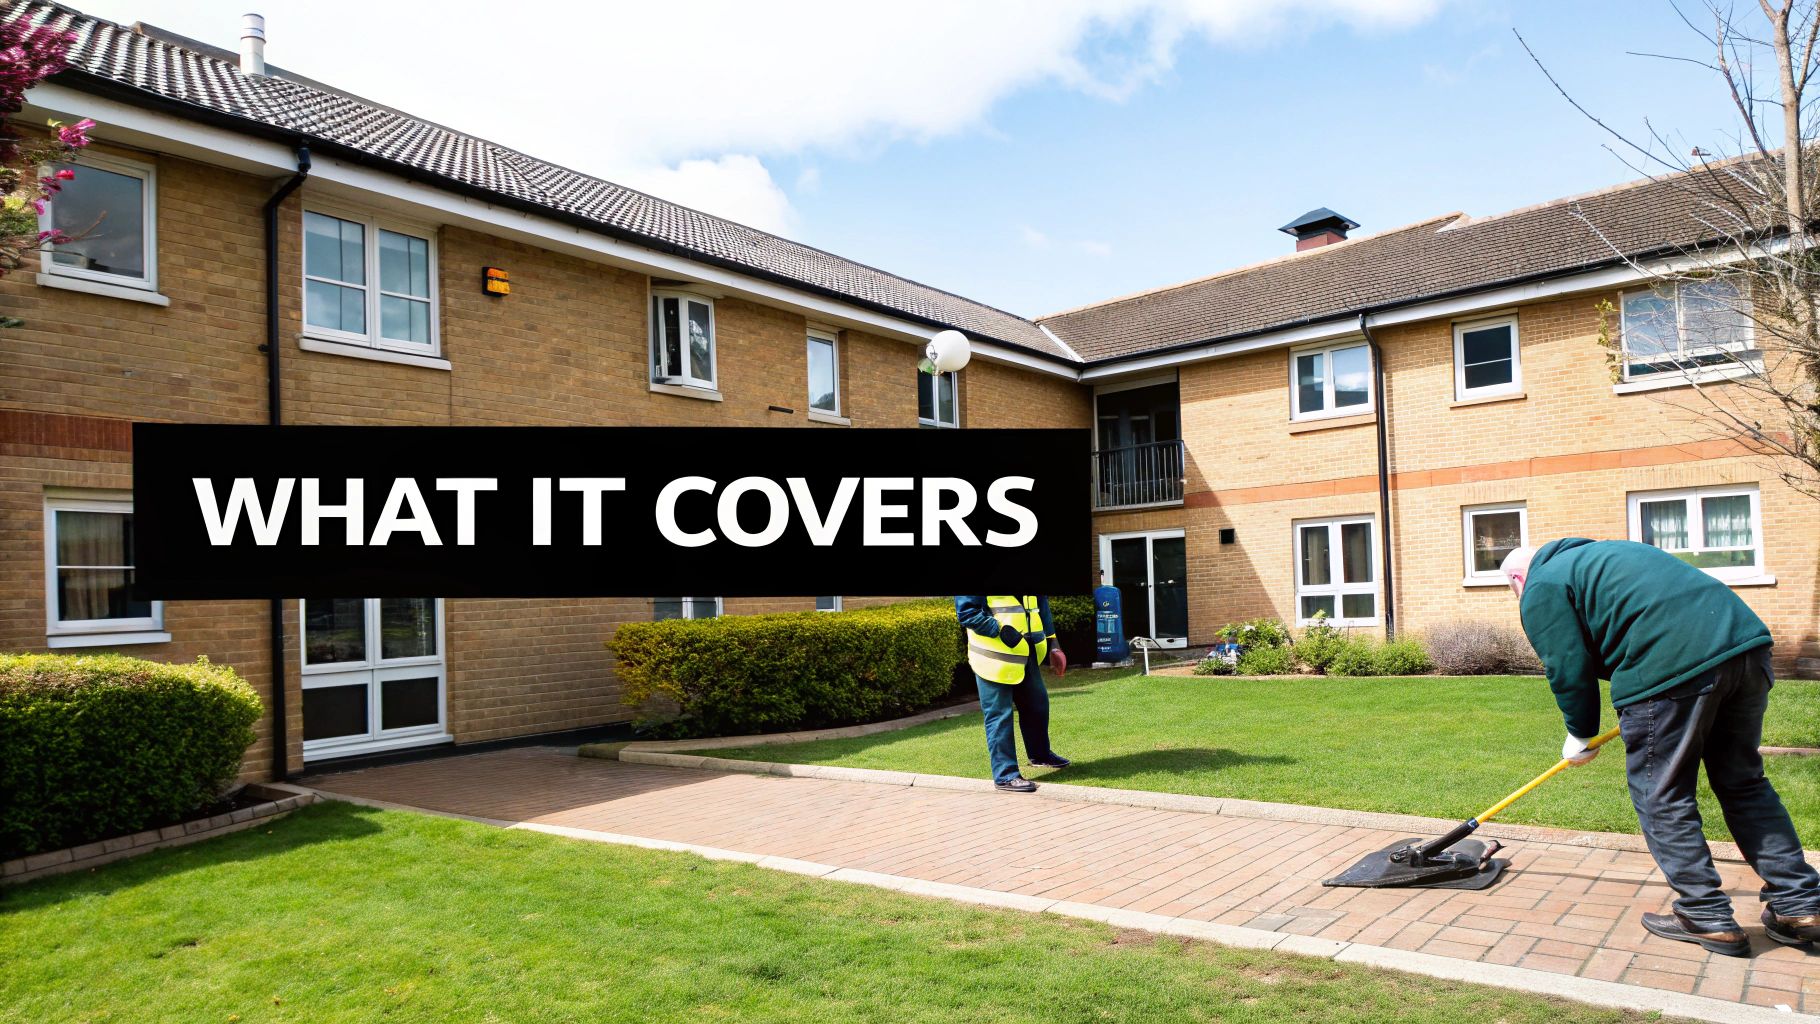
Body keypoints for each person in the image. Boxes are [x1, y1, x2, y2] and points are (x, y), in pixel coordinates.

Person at [1503, 538, 1820, 957]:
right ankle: (1800, 905)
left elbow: (1566, 664)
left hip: (1672, 668)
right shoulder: (1608, 555)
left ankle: (1705, 914)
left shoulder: (1542, 583)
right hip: (1746, 650)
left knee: (1662, 793)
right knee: (1744, 782)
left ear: (1517, 579)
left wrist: (1579, 733)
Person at [955, 595, 1070, 792]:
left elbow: (1040, 605)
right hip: (993, 658)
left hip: (1026, 652)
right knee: (999, 716)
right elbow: (967, 613)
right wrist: (999, 630)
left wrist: (1053, 643)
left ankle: (1040, 755)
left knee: (1037, 706)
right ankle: (1005, 775)